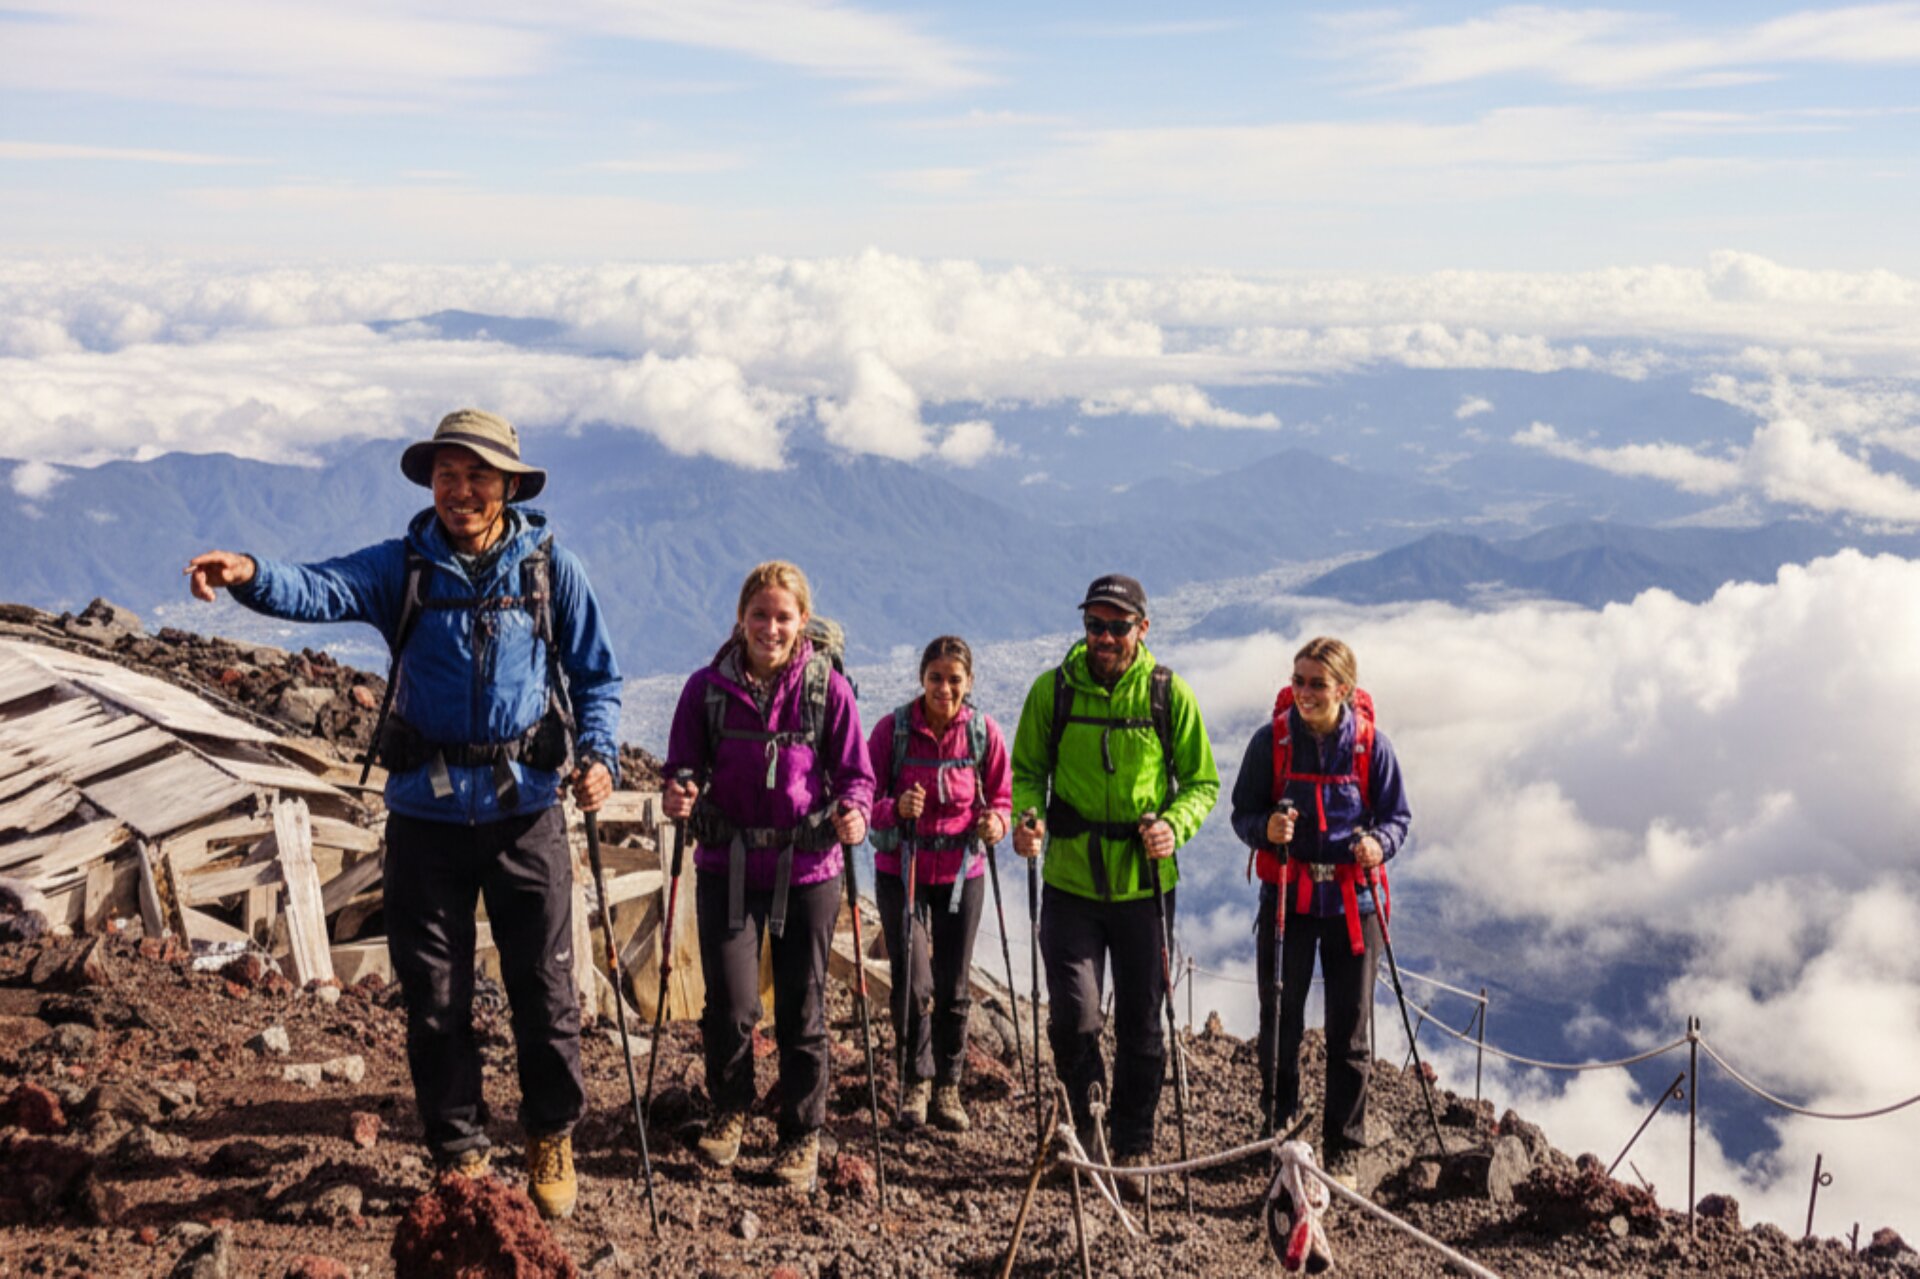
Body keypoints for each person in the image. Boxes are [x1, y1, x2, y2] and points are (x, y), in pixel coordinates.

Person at [184, 408, 620, 1221]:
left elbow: (597, 677)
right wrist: (249, 571)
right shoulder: (405, 567)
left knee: (546, 987)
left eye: (476, 474)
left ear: (509, 486)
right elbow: (320, 586)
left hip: (526, 809)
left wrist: (599, 757)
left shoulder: (551, 570)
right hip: (425, 813)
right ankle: (459, 1149)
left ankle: (549, 1133)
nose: (459, 489)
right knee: (435, 994)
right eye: (445, 474)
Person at [661, 561, 873, 1191]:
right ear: (742, 618)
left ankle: (800, 1135)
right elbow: (681, 765)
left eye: (783, 617)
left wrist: (856, 811)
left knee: (803, 1008)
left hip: (808, 869)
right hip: (726, 865)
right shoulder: (705, 689)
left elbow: (857, 773)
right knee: (729, 1003)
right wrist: (679, 791)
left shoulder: (826, 689)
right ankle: (730, 1110)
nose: (771, 628)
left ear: (802, 621)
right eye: (761, 615)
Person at [1010, 574, 1218, 1189]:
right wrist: (1030, 817)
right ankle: (1086, 1131)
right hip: (1071, 880)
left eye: (1117, 626)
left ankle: (1133, 1147)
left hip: (1143, 886)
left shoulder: (1165, 694)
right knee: (1074, 1018)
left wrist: (1173, 827)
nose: (1104, 637)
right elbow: (1028, 771)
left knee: (1142, 1023)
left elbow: (1201, 783)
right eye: (1094, 625)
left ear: (1142, 629)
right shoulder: (1053, 691)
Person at [1230, 636, 1410, 1187]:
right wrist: (1266, 829)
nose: (1303, 693)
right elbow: (1242, 813)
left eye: (1317, 684)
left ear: (1344, 690)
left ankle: (1344, 1148)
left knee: (1349, 1032)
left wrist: (1379, 843)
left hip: (1352, 907)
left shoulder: (1370, 747)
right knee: (1280, 1022)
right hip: (1291, 897)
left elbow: (1397, 817)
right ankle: (1278, 1134)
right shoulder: (1273, 742)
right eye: (1299, 680)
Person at [867, 635, 1012, 1134]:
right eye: (935, 678)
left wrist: (996, 824)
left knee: (953, 985)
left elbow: (1002, 798)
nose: (944, 689)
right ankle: (916, 1080)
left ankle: (948, 1085)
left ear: (969, 682)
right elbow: (864, 798)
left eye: (954, 679)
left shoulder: (982, 735)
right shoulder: (893, 731)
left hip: (959, 875)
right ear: (921, 679)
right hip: (901, 871)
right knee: (913, 980)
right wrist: (894, 809)